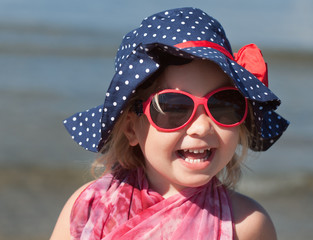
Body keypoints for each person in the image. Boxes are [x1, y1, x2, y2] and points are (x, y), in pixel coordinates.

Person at [50, 7, 288, 240]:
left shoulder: (246, 224)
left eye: (223, 105)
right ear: (132, 128)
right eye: (174, 107)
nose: (202, 127)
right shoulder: (89, 206)